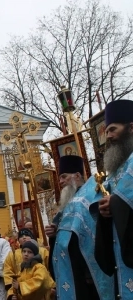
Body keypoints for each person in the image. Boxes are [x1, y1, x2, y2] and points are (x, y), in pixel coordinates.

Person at [45, 155, 114, 299]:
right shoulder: (67, 205)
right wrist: (54, 235)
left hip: (90, 275)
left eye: (64, 177)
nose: (61, 181)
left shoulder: (92, 195)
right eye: (60, 178)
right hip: (74, 274)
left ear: (77, 175)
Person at [95, 99, 133, 299]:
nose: (108, 136)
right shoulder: (116, 171)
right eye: (106, 131)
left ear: (131, 128)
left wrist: (117, 203)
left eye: (112, 129)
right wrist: (105, 211)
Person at [4, 228, 52, 299]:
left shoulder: (40, 267)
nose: (26, 254)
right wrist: (12, 294)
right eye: (24, 251)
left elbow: (39, 280)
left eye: (29, 252)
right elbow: (15, 282)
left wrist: (20, 287)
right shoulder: (22, 270)